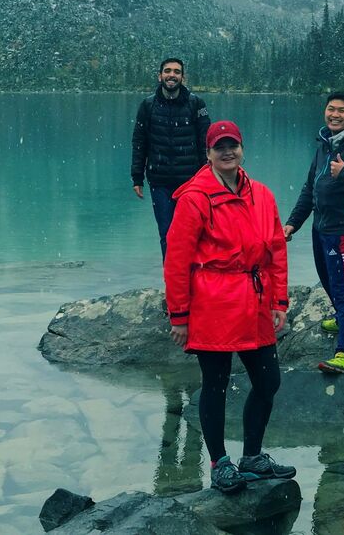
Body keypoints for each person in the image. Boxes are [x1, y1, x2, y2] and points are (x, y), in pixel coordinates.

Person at [164, 120, 295, 493]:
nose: (227, 152)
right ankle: (220, 463)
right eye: (219, 147)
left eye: (232, 145)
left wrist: (279, 300)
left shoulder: (263, 195)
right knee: (216, 385)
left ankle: (252, 456)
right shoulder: (194, 198)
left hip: (254, 298)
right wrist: (180, 315)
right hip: (213, 302)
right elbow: (177, 260)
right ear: (208, 154)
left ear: (241, 149)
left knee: (269, 381)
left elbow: (275, 250)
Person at [284, 91, 344, 374]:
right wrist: (293, 222)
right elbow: (309, 187)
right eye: (331, 109)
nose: (335, 115)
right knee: (327, 277)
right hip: (321, 226)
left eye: (341, 111)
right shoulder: (325, 143)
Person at [131, 58, 210, 259]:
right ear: (160, 76)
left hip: (191, 182)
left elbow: (206, 142)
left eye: (176, 72)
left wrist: (208, 177)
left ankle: (194, 278)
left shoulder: (196, 104)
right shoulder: (148, 105)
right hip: (160, 181)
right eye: (167, 71)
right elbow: (139, 143)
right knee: (166, 233)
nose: (171, 75)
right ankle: (173, 280)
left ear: (183, 77)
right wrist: (137, 177)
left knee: (192, 233)